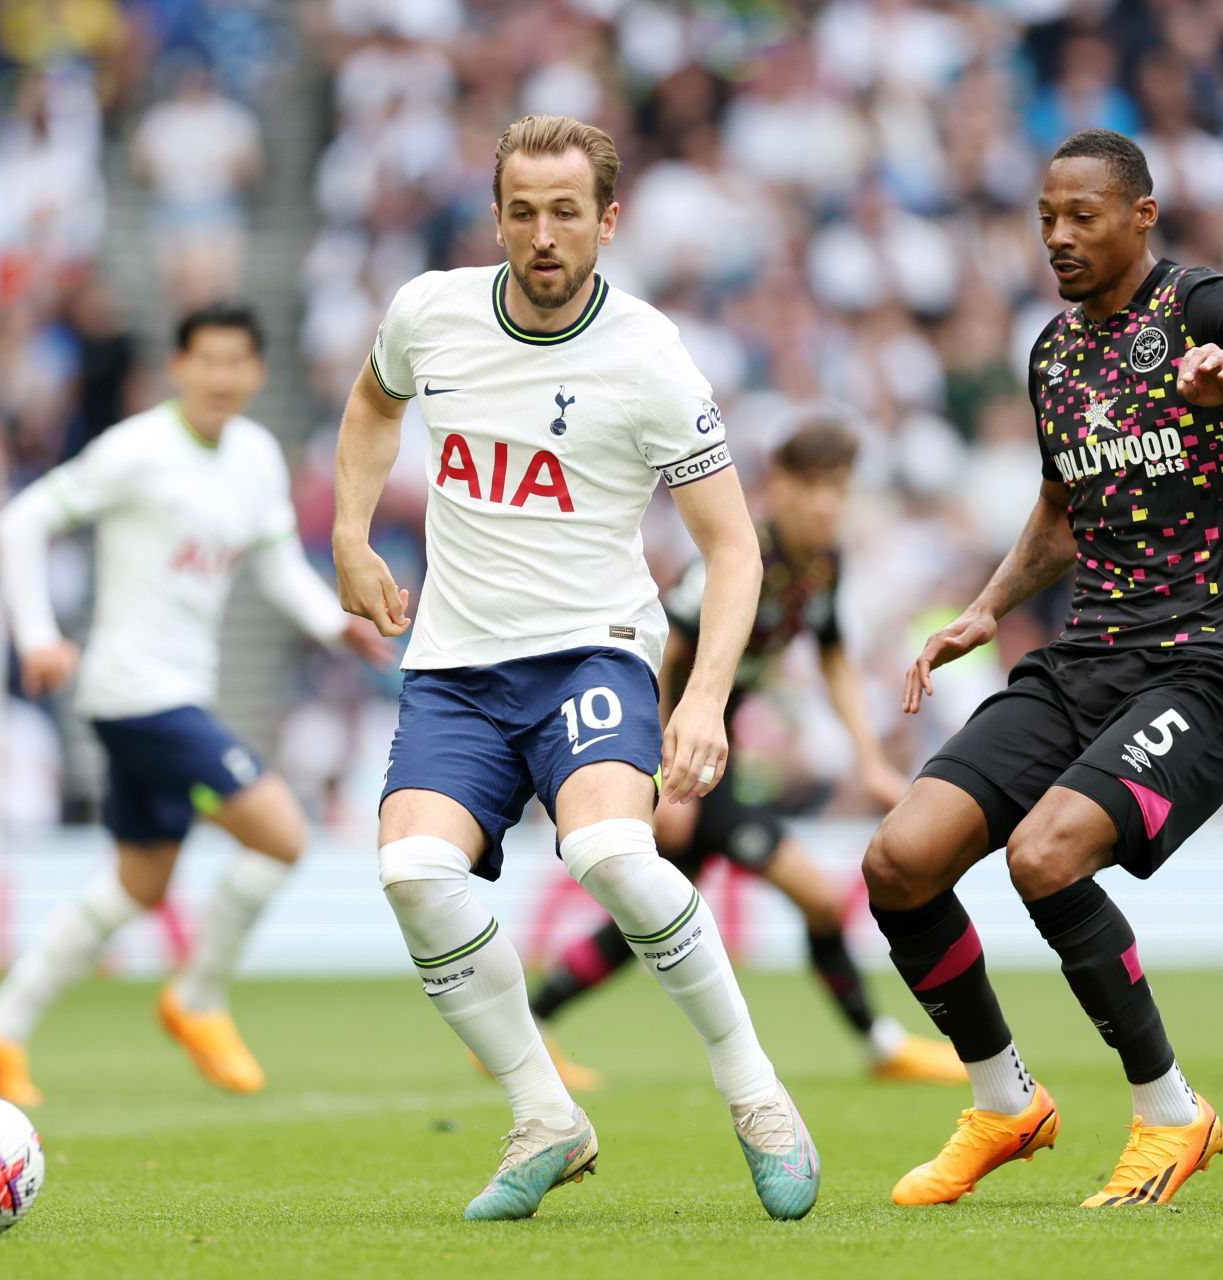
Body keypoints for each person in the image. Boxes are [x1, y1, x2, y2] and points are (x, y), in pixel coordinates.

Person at [859, 128, 1223, 1209]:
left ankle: (1171, 1115)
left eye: (1081, 214)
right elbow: (1060, 507)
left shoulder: (1211, 307)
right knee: (901, 860)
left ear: (1141, 212)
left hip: (1208, 657)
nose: (1059, 236)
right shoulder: (1053, 350)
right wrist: (986, 608)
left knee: (1046, 855)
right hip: (1087, 649)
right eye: (1046, 217)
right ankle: (1004, 1099)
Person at [333, 115, 818, 1223]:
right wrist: (351, 536)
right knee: (412, 873)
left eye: (565, 212)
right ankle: (546, 1114)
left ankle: (757, 1094)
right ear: (496, 214)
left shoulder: (648, 357)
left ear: (607, 220)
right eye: (521, 210)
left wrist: (702, 699)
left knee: (607, 845)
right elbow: (372, 402)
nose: (542, 234)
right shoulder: (431, 313)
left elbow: (734, 547)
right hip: (455, 665)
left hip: (592, 651)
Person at [0, 302, 391, 1104]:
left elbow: (275, 565)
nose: (222, 377)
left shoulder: (256, 456)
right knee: (281, 834)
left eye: (237, 363)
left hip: (175, 694)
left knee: (138, 884)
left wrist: (338, 625)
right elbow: (22, 521)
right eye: (207, 361)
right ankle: (198, 999)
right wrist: (38, 634)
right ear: (178, 368)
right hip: (134, 694)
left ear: (257, 372)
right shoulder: (136, 451)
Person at [525, 420, 964, 1088]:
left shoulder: (821, 564)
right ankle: (881, 1047)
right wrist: (655, 774)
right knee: (816, 900)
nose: (826, 505)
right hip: (674, 745)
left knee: (646, 921)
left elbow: (834, 656)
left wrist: (869, 758)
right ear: (777, 488)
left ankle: (528, 1031)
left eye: (837, 490)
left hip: (707, 749)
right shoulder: (732, 561)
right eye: (813, 488)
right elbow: (662, 655)